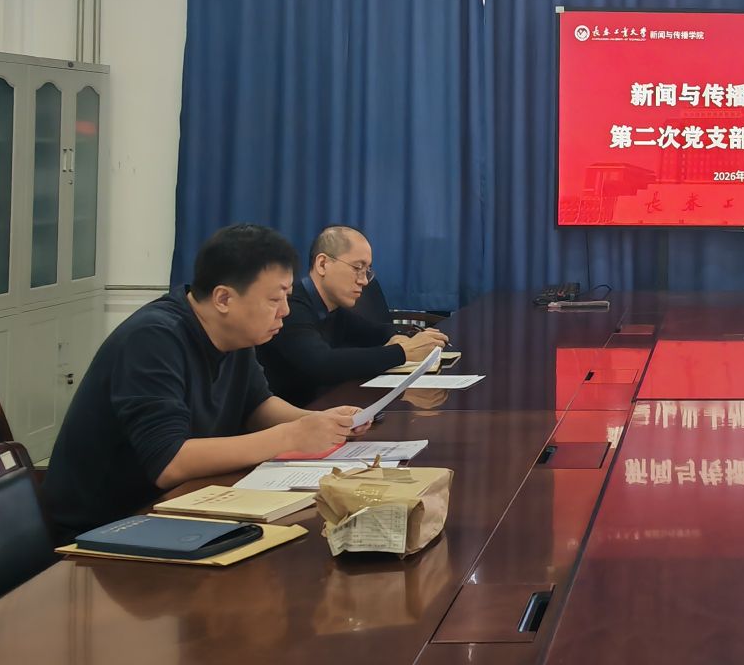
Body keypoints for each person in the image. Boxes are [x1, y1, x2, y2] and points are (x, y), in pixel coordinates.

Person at [41, 223, 367, 543]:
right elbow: (169, 462)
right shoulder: (153, 338)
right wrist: (291, 436)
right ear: (223, 298)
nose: (284, 311)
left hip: (178, 509)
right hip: (106, 528)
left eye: (287, 296)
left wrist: (321, 422)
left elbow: (258, 406)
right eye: (274, 299)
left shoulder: (234, 334)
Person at [257, 224, 446, 405]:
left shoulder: (333, 309)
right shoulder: (291, 306)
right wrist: (403, 352)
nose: (364, 281)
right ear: (322, 264)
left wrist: (403, 336)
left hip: (324, 407)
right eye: (357, 268)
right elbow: (323, 364)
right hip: (287, 417)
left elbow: (373, 332)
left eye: (367, 271)